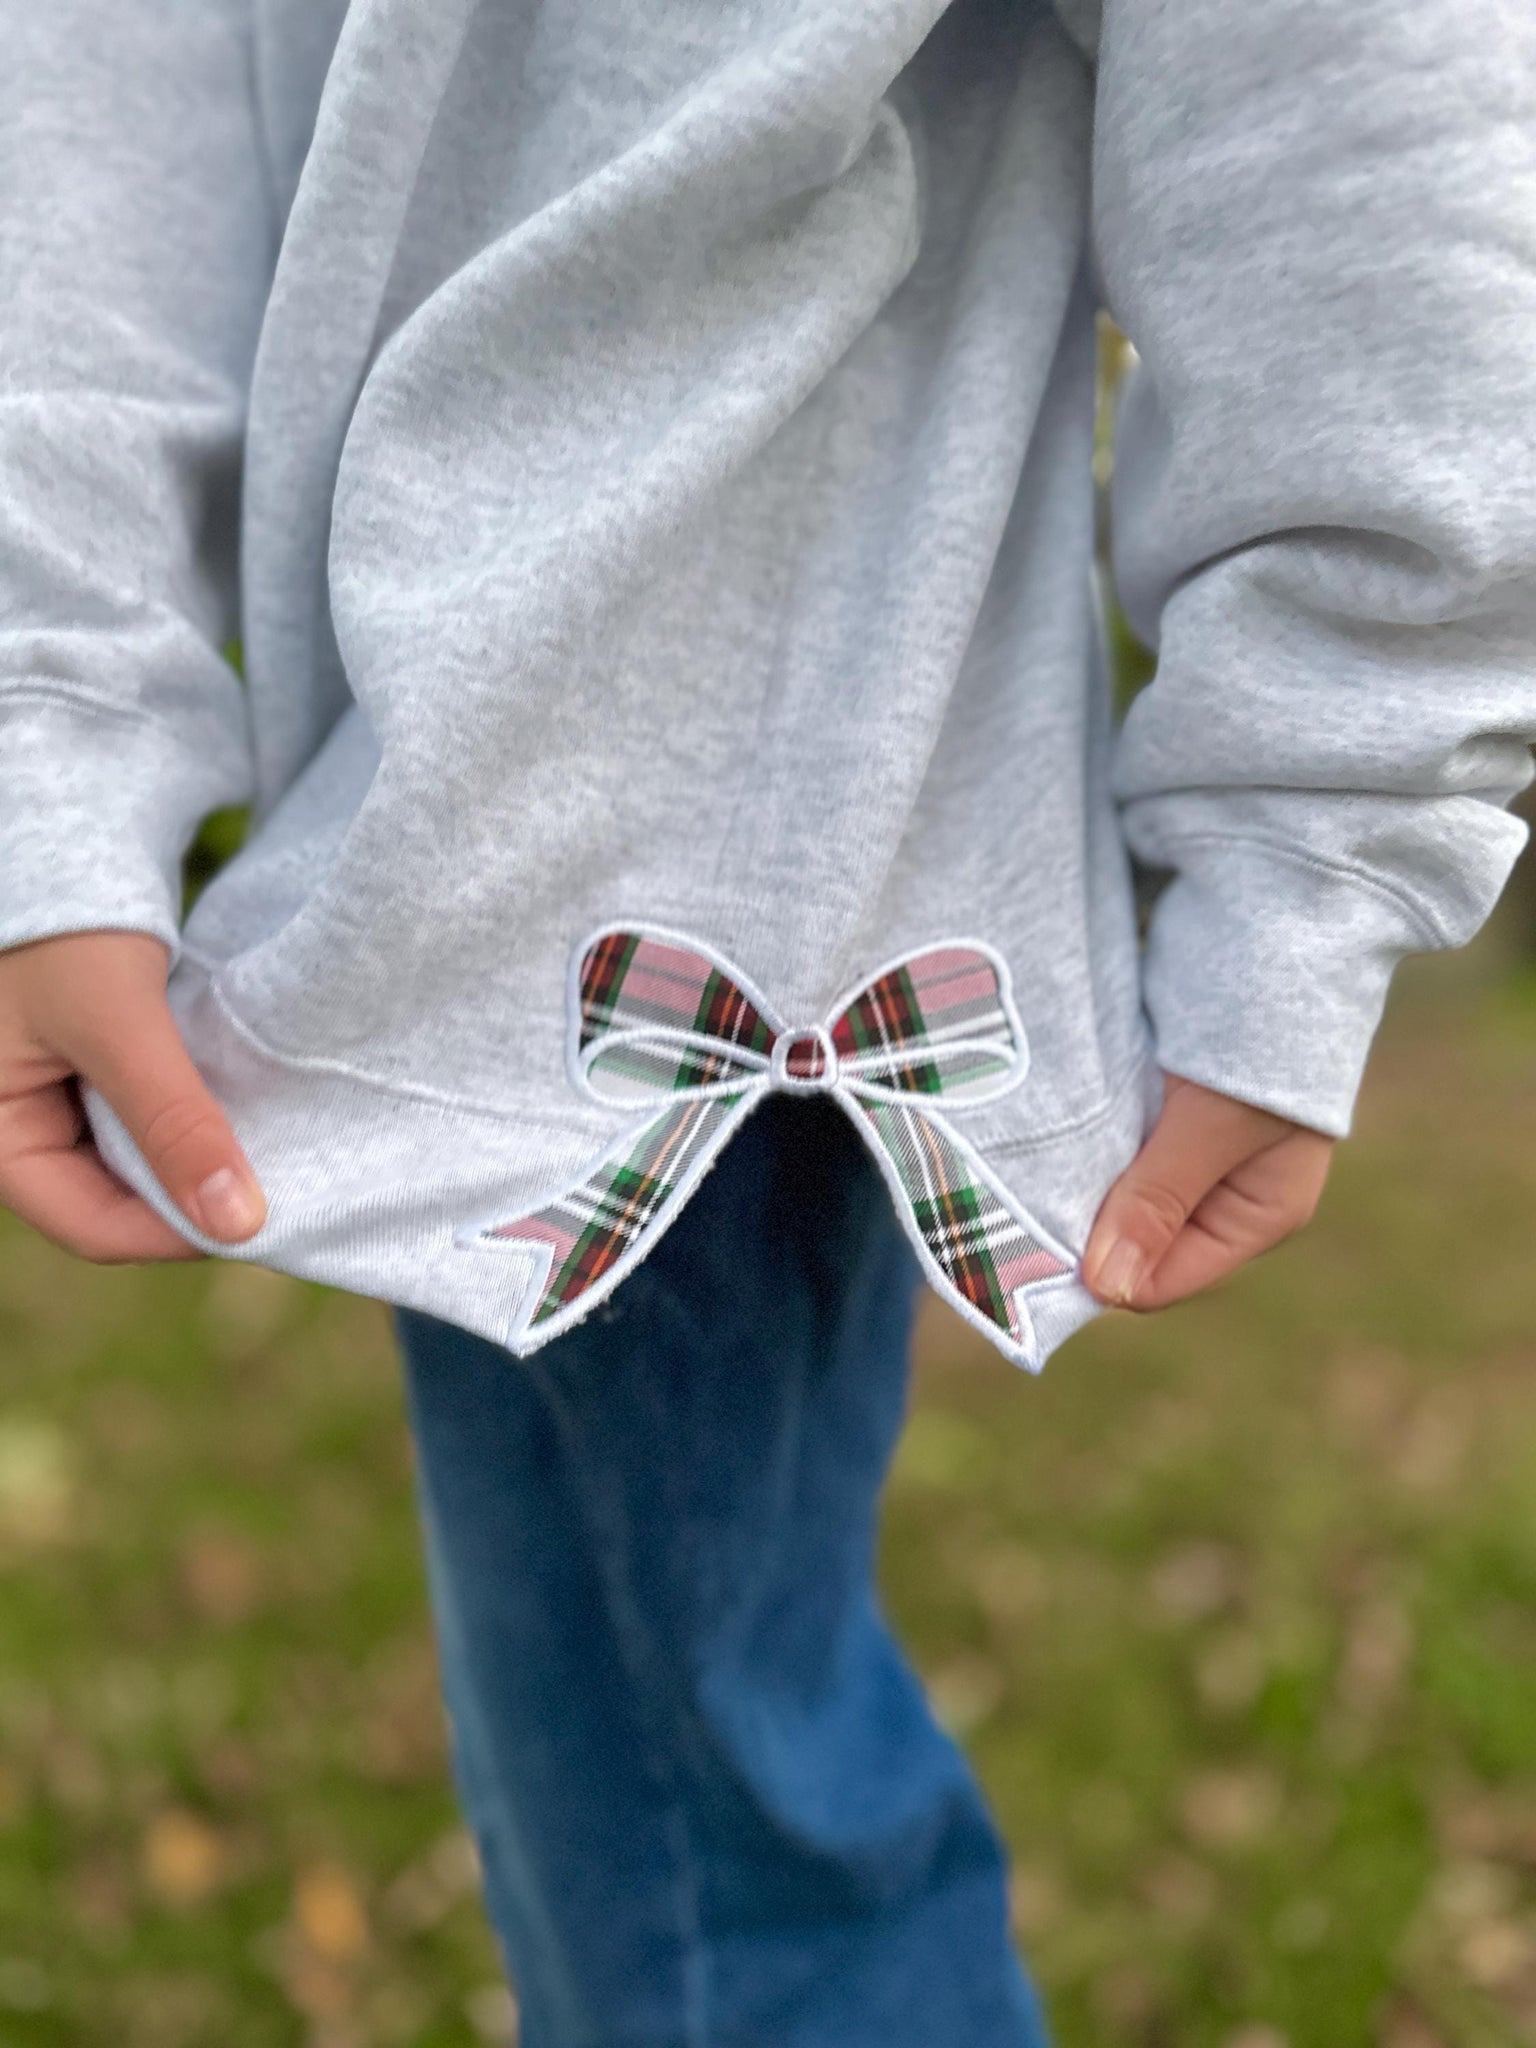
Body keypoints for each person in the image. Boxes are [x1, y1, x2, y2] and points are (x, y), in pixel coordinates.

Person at [1, 0, 1532, 2038]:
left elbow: (1347, 73)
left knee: (712, 1846)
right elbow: (113, 71)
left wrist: (1323, 842)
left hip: (765, 840)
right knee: (670, 1777)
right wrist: (53, 730)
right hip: (465, 805)